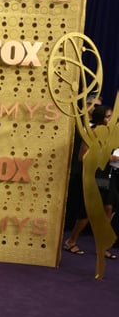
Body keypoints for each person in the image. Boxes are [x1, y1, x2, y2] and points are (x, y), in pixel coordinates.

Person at [64, 103, 117, 259]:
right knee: (87, 213)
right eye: (108, 116)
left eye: (112, 116)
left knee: (109, 208)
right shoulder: (91, 133)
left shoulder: (111, 133)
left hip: (107, 175)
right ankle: (71, 241)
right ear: (101, 118)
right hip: (92, 176)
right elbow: (83, 157)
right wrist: (109, 158)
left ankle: (102, 245)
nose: (111, 119)